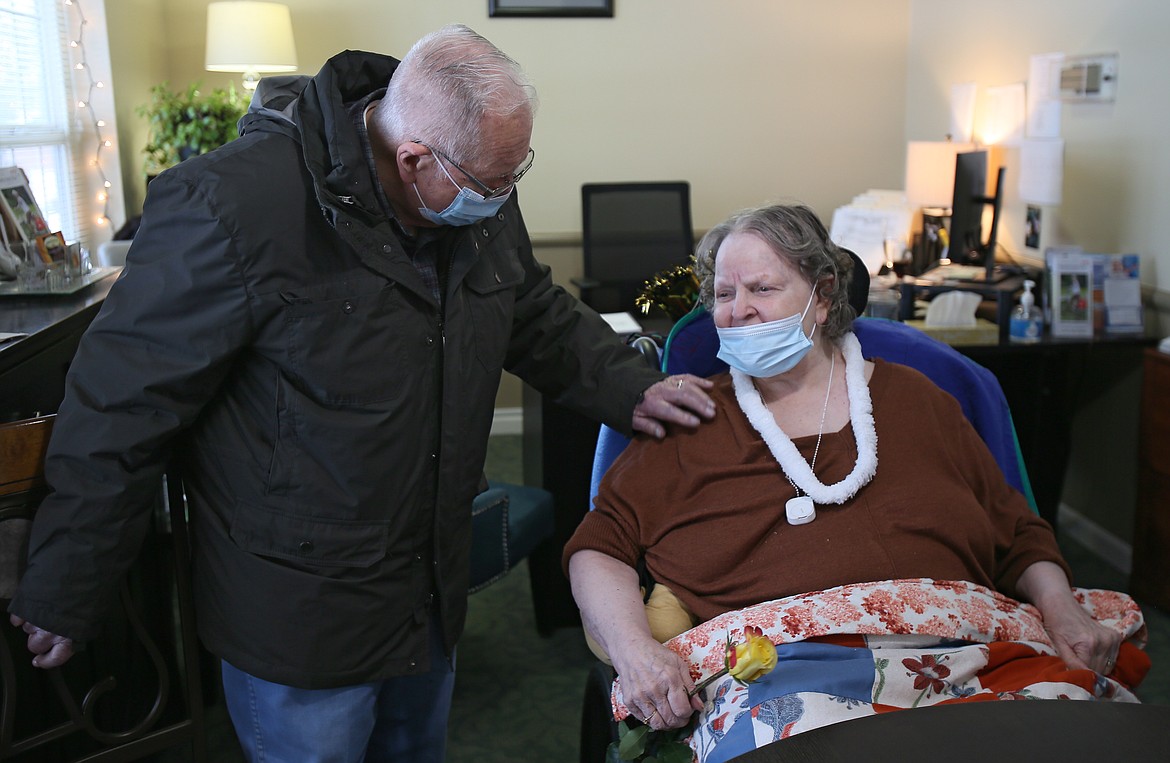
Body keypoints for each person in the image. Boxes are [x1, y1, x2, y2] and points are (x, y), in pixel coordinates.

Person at [8, 25, 715, 763]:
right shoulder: (230, 205)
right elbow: (123, 403)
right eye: (492, 185)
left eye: (517, 175)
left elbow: (530, 309)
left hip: (427, 587)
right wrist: (67, 579)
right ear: (413, 159)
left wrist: (631, 386)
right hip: (301, 612)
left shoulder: (469, 177)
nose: (503, 197)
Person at [564, 203, 1133, 743]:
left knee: (1085, 733)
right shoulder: (691, 420)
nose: (739, 310)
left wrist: (1062, 610)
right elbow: (598, 546)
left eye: (762, 289)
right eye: (723, 294)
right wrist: (635, 649)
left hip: (968, 654)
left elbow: (1018, 534)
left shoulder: (919, 400)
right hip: (786, 678)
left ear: (822, 295)